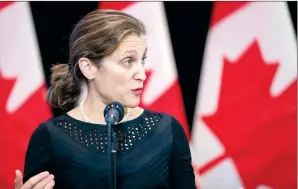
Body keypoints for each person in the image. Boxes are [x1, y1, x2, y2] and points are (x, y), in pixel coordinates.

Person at [14, 8, 196, 189]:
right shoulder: (49, 138)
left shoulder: (168, 131)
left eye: (142, 60)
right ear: (89, 68)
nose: (142, 74)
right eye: (128, 61)